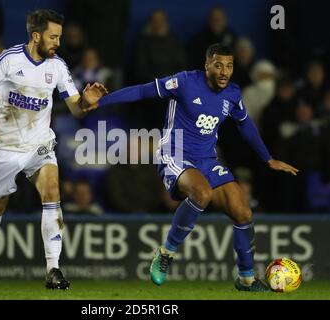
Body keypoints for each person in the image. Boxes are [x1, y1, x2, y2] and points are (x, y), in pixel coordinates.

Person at [90, 43, 299, 292]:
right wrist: (101, 101)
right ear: (207, 65)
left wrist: (268, 158)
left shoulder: (232, 94)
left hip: (207, 160)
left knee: (243, 213)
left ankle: (246, 279)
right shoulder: (185, 82)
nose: (224, 71)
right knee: (201, 194)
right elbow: (144, 91)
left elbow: (245, 125)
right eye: (218, 65)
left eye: (229, 66)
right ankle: (166, 252)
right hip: (174, 153)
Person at [0, 9, 107, 289]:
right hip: (5, 147)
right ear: (36, 36)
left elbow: (75, 108)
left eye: (59, 37)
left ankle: (53, 269)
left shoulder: (57, 67)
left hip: (39, 145)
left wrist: (86, 103)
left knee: (52, 193)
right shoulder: (8, 60)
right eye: (53, 37)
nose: (58, 42)